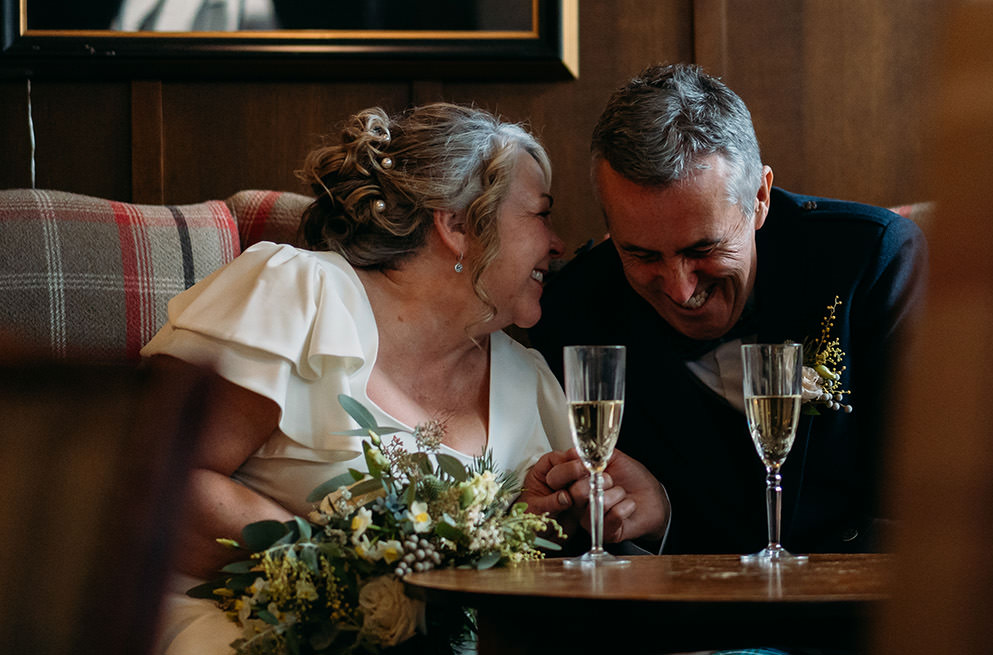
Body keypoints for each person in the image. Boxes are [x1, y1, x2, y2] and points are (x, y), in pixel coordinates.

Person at [143, 103, 667, 655]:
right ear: (459, 224)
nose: (558, 243)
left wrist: (567, 520)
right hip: (240, 626)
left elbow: (540, 574)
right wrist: (366, 569)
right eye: (540, 215)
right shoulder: (296, 293)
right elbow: (149, 479)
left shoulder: (531, 379)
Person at [531, 64, 926, 555]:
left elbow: (927, 503)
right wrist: (658, 514)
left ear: (759, 199)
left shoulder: (872, 262)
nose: (678, 289)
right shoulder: (573, 310)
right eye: (642, 255)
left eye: (703, 249)